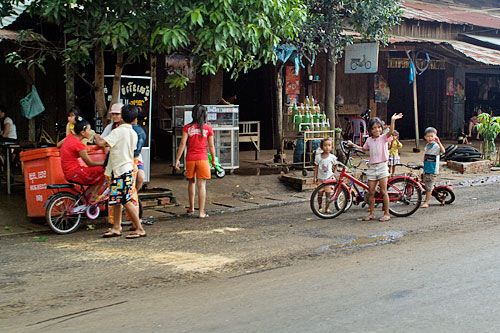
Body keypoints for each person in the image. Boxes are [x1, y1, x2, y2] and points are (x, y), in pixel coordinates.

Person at [95, 104, 146, 239]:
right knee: (117, 200)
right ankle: (116, 227)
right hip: (126, 169)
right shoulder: (133, 132)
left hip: (120, 171)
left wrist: (93, 134)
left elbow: (102, 143)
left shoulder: (118, 132)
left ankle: (140, 229)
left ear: (122, 116)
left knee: (124, 199)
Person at [348, 113, 403, 222]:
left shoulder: (384, 137)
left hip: (382, 166)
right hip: (372, 167)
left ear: (382, 129)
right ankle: (371, 213)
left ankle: (387, 214)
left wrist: (393, 120)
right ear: (370, 130)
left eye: (378, 127)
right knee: (371, 192)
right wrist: (353, 145)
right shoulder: (369, 140)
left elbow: (391, 131)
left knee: (383, 191)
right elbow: (364, 149)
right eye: (374, 128)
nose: (376, 130)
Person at [174, 104, 216, 219]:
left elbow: (182, 144)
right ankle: (201, 212)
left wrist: (177, 159)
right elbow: (211, 146)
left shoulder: (187, 128)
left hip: (190, 159)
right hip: (203, 159)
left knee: (191, 182)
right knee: (201, 185)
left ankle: (192, 207)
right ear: (204, 115)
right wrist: (213, 160)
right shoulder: (208, 128)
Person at [60, 117, 106, 202]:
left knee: (97, 172)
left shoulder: (70, 137)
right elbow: (90, 163)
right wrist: (105, 162)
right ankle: (93, 195)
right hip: (75, 172)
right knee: (104, 170)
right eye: (89, 130)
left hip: (68, 172)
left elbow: (58, 144)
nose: (91, 132)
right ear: (82, 132)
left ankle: (87, 196)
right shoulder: (78, 145)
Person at [421, 127, 446, 208]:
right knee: (426, 183)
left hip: (432, 169)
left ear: (435, 136)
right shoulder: (427, 145)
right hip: (426, 168)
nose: (430, 138)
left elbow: (443, 151)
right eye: (428, 136)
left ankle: (426, 202)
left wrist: (439, 142)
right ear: (425, 137)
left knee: (429, 186)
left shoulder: (436, 146)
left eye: (432, 136)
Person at [313, 138, 337, 214]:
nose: (327, 147)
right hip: (320, 179)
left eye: (329, 145)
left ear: (332, 147)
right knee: (319, 194)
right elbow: (316, 167)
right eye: (325, 145)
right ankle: (320, 207)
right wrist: (314, 177)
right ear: (321, 147)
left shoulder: (332, 157)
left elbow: (336, 165)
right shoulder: (318, 157)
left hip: (329, 179)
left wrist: (334, 174)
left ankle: (327, 208)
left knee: (328, 195)